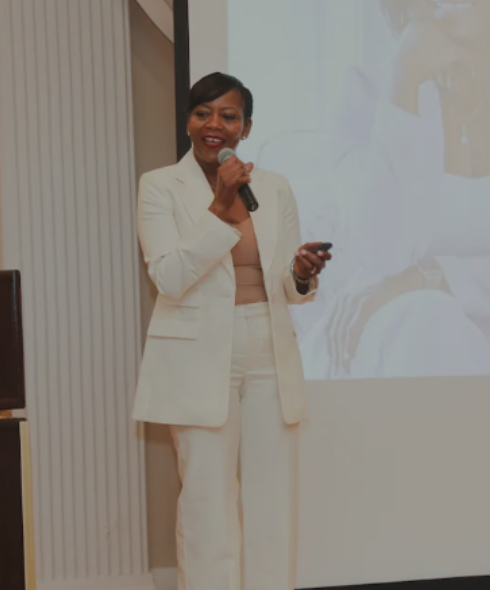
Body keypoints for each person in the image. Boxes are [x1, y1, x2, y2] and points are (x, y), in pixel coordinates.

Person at [132, 72, 331, 590]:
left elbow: (286, 286)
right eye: (203, 113)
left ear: (245, 128)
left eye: (228, 115)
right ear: (188, 121)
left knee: (272, 498)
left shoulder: (273, 186)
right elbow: (170, 278)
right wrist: (221, 204)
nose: (214, 124)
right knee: (206, 500)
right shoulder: (159, 186)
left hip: (268, 344)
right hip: (198, 352)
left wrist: (303, 273)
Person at [304, 0, 490, 379]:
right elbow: (381, 253)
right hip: (398, 337)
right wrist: (403, 85)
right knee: (429, 321)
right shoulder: (365, 93)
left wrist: (429, 277)